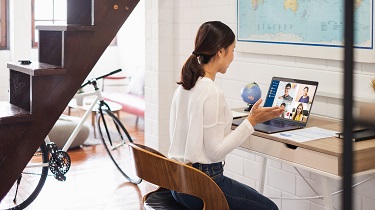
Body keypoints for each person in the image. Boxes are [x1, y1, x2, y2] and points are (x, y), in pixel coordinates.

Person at [168, 21, 283, 210]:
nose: (233, 57)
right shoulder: (211, 91)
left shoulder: (185, 86)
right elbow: (215, 152)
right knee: (269, 208)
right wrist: (251, 121)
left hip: (178, 184)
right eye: (233, 49)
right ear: (221, 51)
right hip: (201, 185)